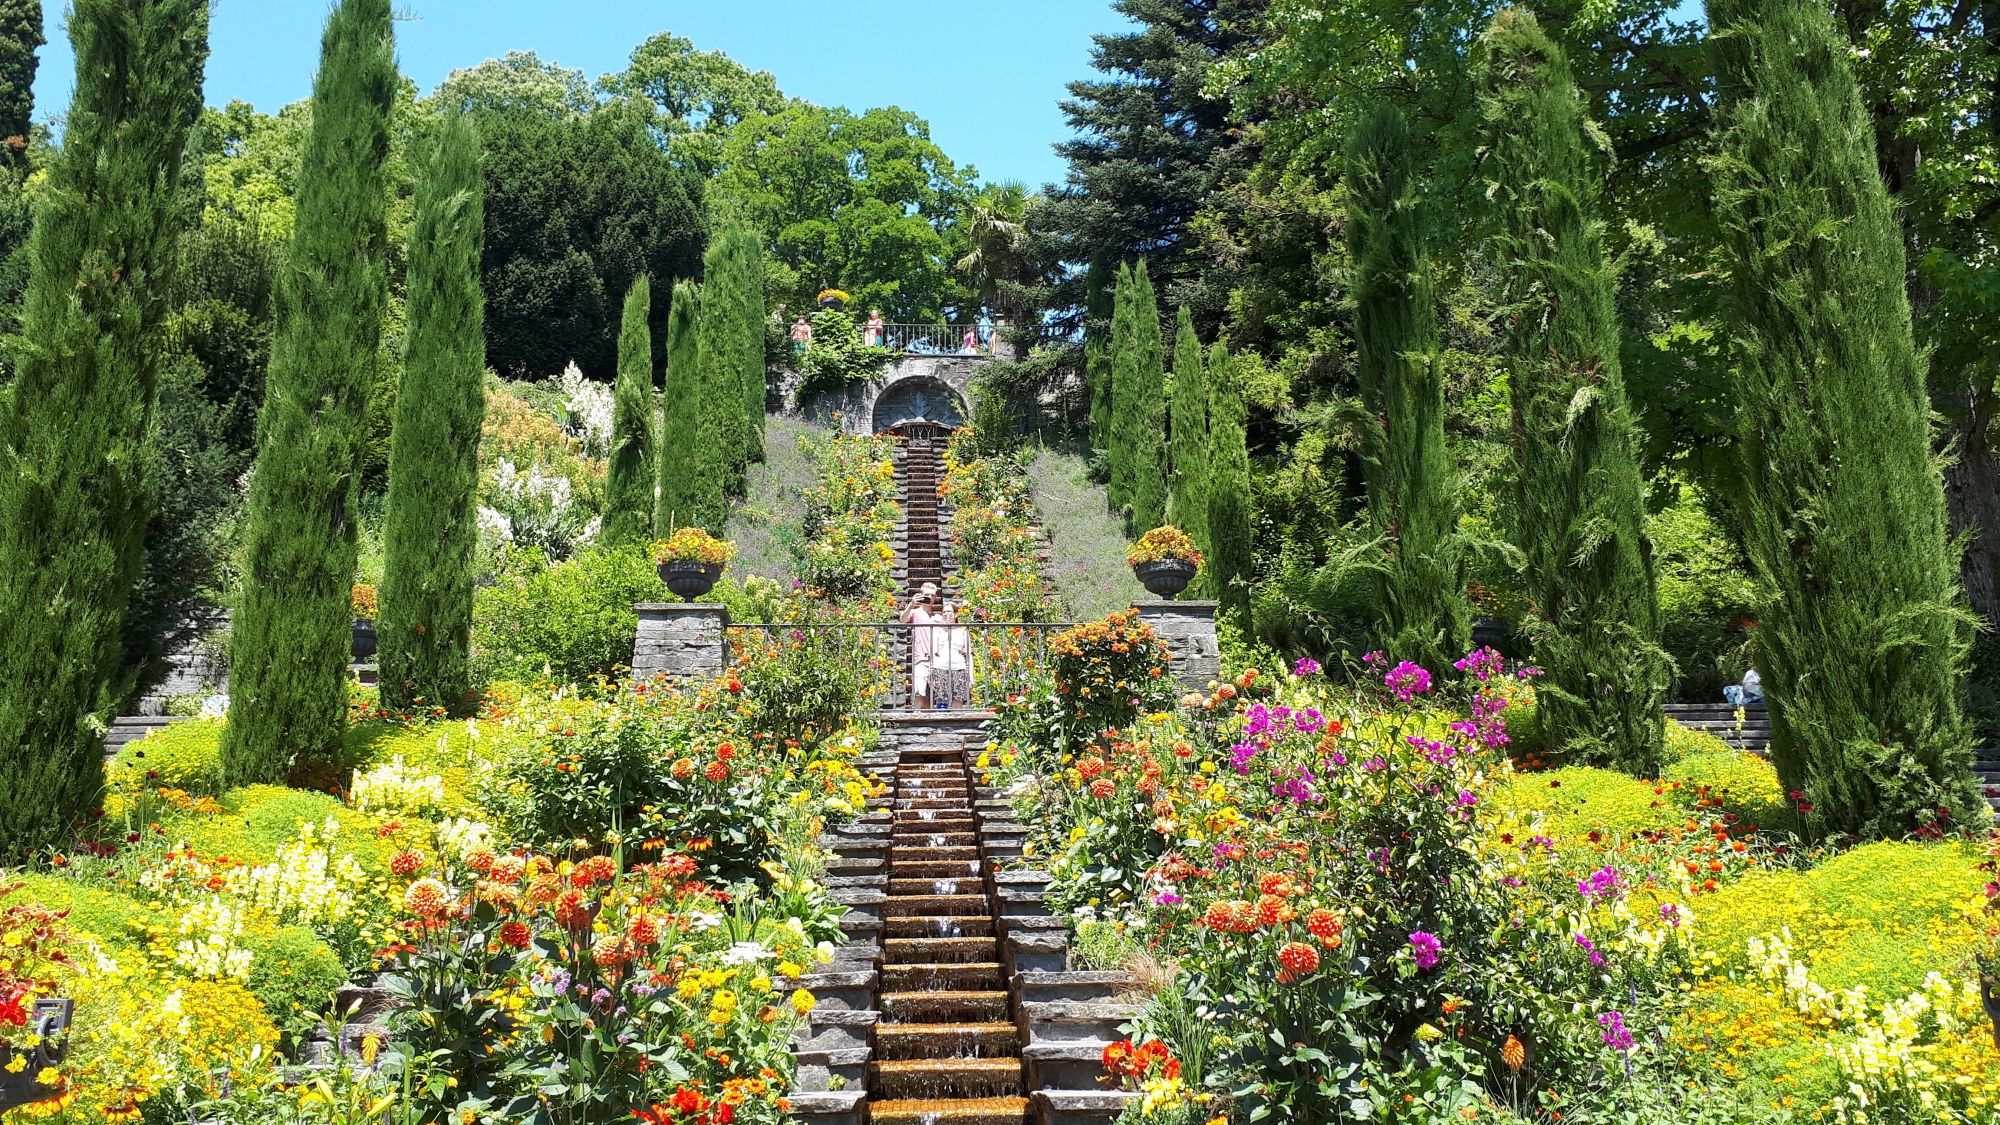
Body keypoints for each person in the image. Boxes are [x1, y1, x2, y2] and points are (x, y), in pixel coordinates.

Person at [899, 583, 943, 709]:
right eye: (927, 595)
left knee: (936, 693)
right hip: (921, 658)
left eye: (933, 595)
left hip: (938, 660)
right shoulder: (915, 613)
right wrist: (911, 604)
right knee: (920, 691)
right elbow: (903, 620)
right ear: (921, 595)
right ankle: (917, 716)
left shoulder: (938, 617)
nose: (930, 597)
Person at [928, 600, 973, 709]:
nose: (946, 614)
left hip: (959, 668)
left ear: (955, 614)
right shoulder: (937, 631)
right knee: (941, 700)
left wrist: (971, 676)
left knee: (958, 700)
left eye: (949, 611)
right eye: (944, 612)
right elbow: (932, 652)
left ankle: (958, 725)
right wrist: (930, 673)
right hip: (940, 668)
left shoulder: (963, 631)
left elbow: (969, 654)